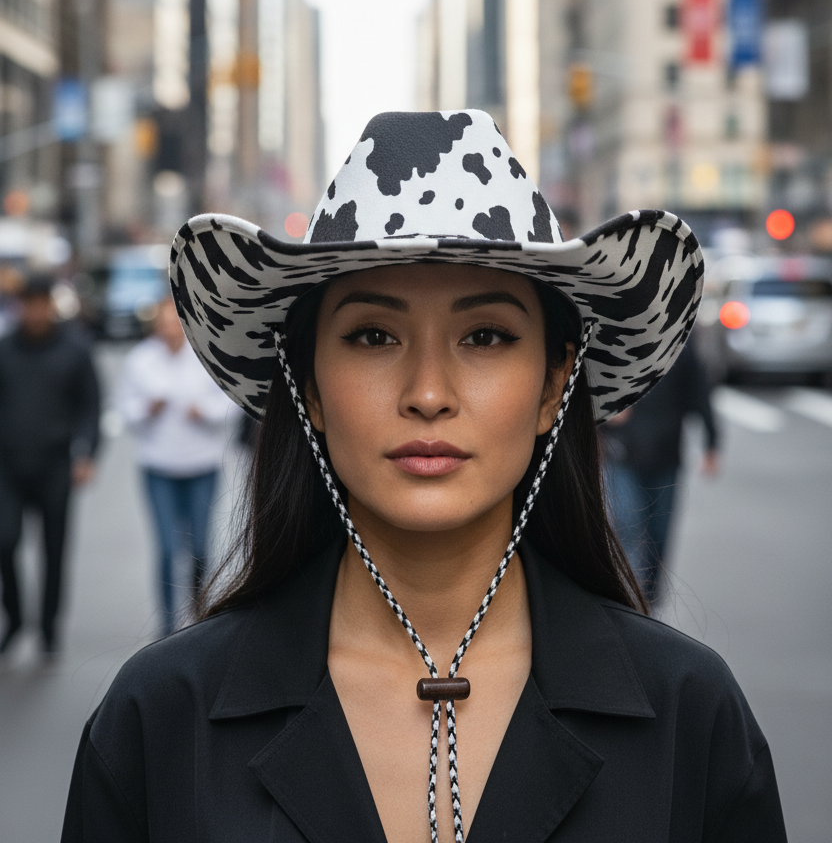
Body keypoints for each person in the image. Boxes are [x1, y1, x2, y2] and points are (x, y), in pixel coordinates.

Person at [63, 110, 786, 842]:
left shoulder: (692, 717)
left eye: (486, 336)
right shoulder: (158, 722)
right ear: (309, 384)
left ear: (551, 385)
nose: (429, 391)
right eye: (373, 336)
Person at [117, 296, 234, 635]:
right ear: (155, 325)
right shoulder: (141, 361)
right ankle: (167, 627)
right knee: (168, 549)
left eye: (175, 322)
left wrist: (206, 412)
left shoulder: (205, 356)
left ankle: (199, 617)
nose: (169, 328)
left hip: (201, 466)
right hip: (159, 468)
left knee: (199, 547)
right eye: (163, 322)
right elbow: (124, 410)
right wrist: (146, 410)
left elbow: (231, 402)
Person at [0, 271, 100, 656]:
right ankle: (14, 616)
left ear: (51, 306)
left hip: (55, 464)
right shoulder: (5, 349)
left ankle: (47, 625)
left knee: (54, 548)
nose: (35, 311)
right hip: (8, 466)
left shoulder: (73, 349)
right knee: (4, 540)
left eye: (41, 303)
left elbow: (89, 405)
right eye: (28, 304)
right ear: (20, 306)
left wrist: (86, 451)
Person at [601, 335, 719, 606]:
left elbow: (699, 392)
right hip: (623, 454)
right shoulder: (618, 336)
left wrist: (711, 442)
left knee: (659, 535)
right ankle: (631, 601)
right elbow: (588, 383)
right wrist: (608, 407)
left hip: (666, 456)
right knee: (628, 525)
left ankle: (648, 602)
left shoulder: (681, 345)